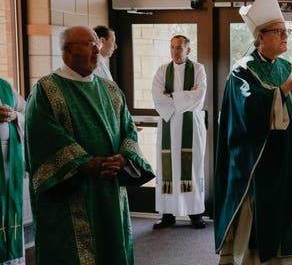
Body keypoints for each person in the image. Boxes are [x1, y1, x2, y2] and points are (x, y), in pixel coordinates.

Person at [214, 0, 292, 264]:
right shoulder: (242, 71)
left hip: (289, 165)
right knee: (258, 243)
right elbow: (247, 112)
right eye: (278, 31)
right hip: (260, 167)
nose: (285, 36)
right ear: (260, 38)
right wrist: (284, 89)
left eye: (285, 31)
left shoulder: (285, 66)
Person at [25, 25, 155, 264]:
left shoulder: (111, 90)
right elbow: (42, 136)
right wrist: (85, 163)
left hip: (110, 191)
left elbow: (128, 129)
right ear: (66, 52)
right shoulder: (46, 90)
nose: (96, 50)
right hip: (70, 192)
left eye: (96, 44)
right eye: (88, 44)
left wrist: (124, 158)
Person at [151, 34, 207, 229]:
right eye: (172, 47)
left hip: (191, 126)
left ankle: (195, 213)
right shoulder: (162, 71)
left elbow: (199, 97)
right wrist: (184, 97)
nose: (175, 51)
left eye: (179, 48)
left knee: (191, 167)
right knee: (168, 169)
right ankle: (167, 214)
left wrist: (171, 97)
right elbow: (157, 98)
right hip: (169, 123)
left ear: (188, 50)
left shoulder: (199, 70)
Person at [0, 78, 25, 264]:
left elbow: (28, 112)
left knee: (10, 210)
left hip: (9, 160)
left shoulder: (5, 86)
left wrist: (14, 115)